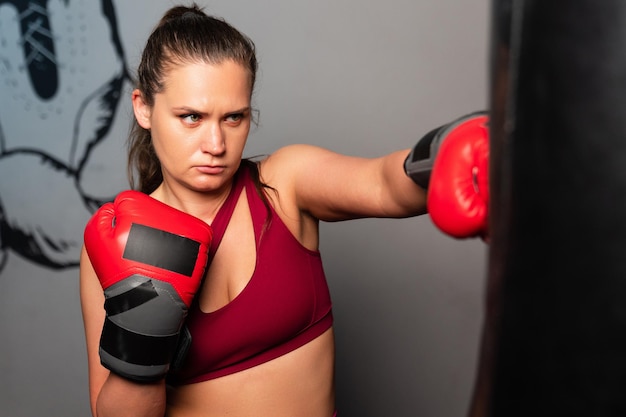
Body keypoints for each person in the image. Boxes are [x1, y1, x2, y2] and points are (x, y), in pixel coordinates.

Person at [79, 4, 489, 417]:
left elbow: (383, 183)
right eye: (191, 117)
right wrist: (142, 339)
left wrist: (448, 154)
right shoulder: (119, 240)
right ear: (143, 108)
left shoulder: (283, 185)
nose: (216, 143)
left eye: (234, 117)